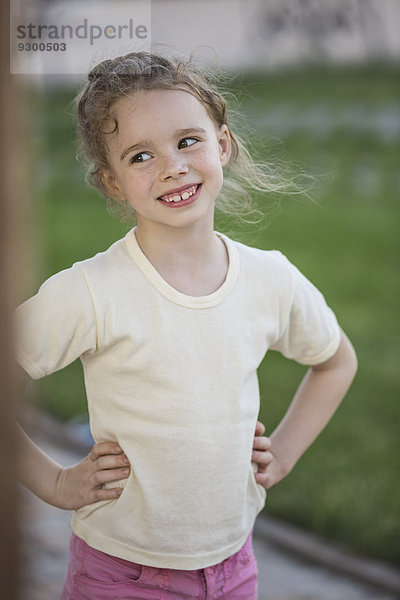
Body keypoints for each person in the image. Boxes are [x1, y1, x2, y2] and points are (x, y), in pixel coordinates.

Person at [16, 51, 357, 599]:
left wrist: (286, 453)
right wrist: (55, 482)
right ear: (112, 183)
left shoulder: (271, 279)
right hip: (120, 574)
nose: (172, 166)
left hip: (233, 565)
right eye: (140, 155)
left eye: (188, 141)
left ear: (222, 144)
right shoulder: (91, 292)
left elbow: (336, 359)